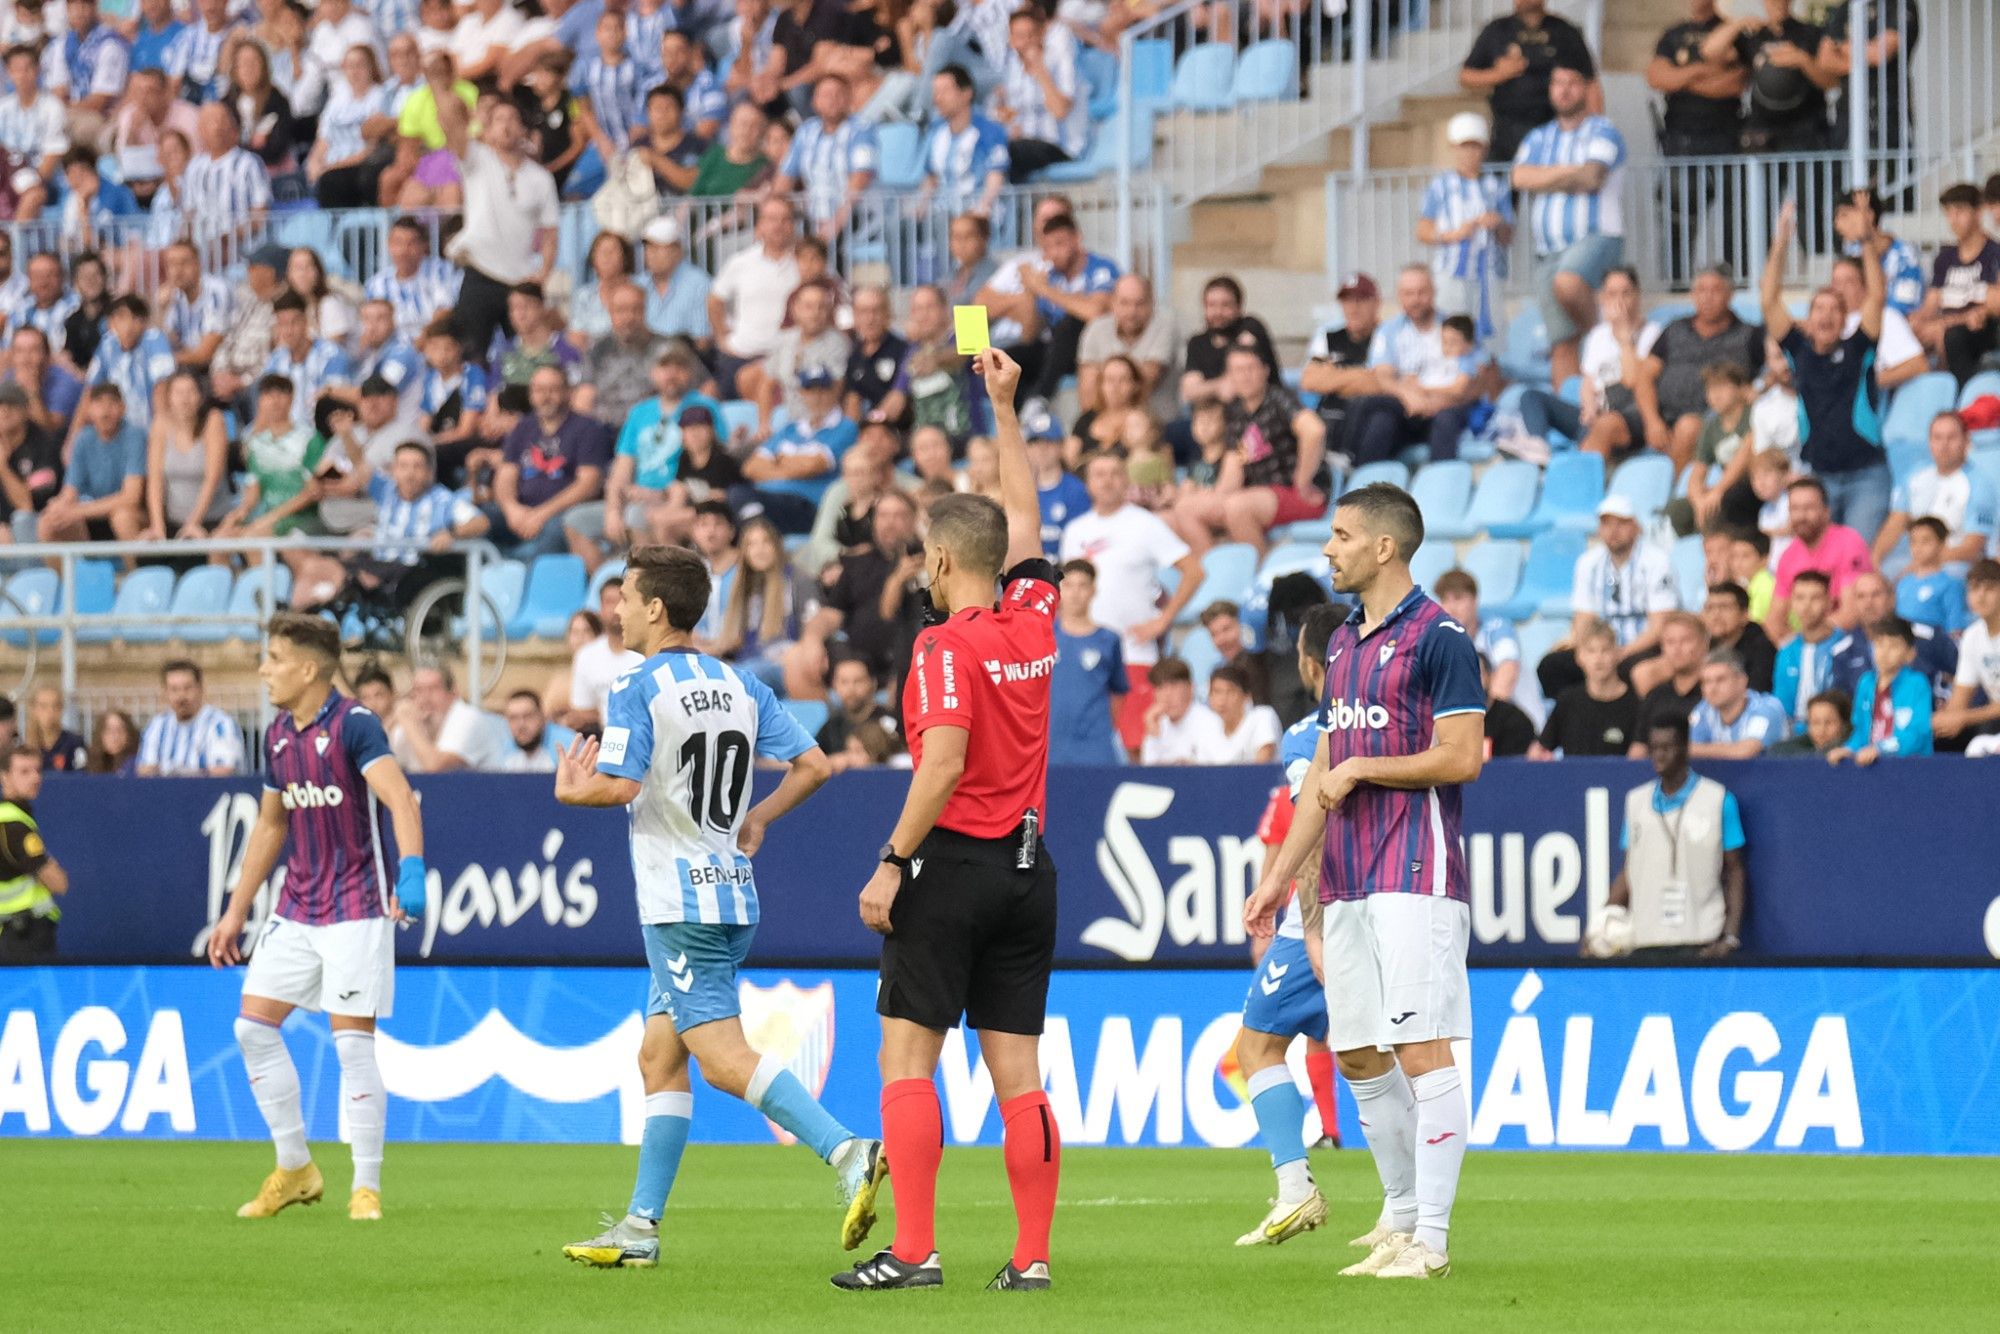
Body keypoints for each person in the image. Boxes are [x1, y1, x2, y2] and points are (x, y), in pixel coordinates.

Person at [552, 546, 883, 1270]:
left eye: (625, 596)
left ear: (655, 610)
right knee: (658, 1056)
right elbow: (816, 765)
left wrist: (573, 789)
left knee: (723, 1058)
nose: (615, 608)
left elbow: (617, 786)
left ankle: (848, 1150)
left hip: (678, 900)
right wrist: (757, 817)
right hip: (731, 890)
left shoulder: (634, 683)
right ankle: (641, 1227)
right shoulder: (737, 681)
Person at [833, 347, 1059, 1294]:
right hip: (1029, 873)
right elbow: (1030, 525)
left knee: (906, 1054)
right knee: (1020, 1075)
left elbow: (942, 766)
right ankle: (1032, 1259)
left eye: (925, 555)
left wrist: (891, 860)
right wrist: (1005, 409)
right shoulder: (1036, 620)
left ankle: (917, 1251)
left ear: (939, 561)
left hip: (953, 868)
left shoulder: (941, 645)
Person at [1245, 482, 1484, 1282]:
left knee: (1420, 1046)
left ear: (1385, 546)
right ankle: (1403, 1218)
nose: (1329, 548)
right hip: (1344, 878)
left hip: (1415, 871)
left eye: (1342, 535)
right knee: (1355, 1054)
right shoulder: (1344, 643)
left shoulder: (1440, 638)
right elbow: (1322, 766)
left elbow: (1462, 757)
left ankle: (1435, 1240)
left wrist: (1364, 767)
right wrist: (1279, 877)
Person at [205, 614, 427, 1223]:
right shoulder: (279, 733)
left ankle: (367, 1186)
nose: (263, 669)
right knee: (252, 1029)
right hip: (298, 906)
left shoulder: (356, 725)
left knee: (352, 1045)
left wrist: (412, 871)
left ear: (307, 669)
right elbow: (272, 824)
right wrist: (235, 911)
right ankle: (296, 1168)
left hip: (356, 907)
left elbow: (400, 798)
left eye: (273, 658)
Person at [1231, 601, 1348, 1247]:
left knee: (1257, 1046)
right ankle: (1407, 1214)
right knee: (1373, 1058)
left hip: (1331, 910)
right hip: (1397, 900)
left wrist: (1310, 924)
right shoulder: (1396, 724)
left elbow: (1318, 825)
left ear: (1309, 662)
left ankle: (1296, 1188)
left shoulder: (1309, 734)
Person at [1761, 202, 1894, 544]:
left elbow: (1876, 297)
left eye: (1834, 309)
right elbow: (1769, 300)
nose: (1826, 315)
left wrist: (1865, 241)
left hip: (1866, 476)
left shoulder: (1859, 347)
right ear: (1809, 316)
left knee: (1854, 560)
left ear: (1843, 316)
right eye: (1818, 308)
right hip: (1819, 477)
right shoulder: (1798, 350)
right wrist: (1780, 245)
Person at [1059, 449, 1204, 758]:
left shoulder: (1144, 524)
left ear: (1125, 480)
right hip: (1085, 654)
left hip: (1134, 652)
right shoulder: (1074, 531)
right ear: (1088, 483)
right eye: (1099, 474)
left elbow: (1193, 571)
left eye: (1114, 473)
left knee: (1136, 744)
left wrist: (1163, 621)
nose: (1107, 481)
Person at [1510, 60, 1628, 389]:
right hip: (1547, 250)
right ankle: (1569, 415)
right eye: (1557, 82)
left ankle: (1605, 337)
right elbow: (1519, 177)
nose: (1564, 89)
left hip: (1597, 236)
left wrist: (1544, 177)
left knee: (1568, 283)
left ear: (1588, 89)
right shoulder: (1538, 136)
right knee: (1561, 343)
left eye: (1572, 82)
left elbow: (1592, 177)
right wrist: (1567, 173)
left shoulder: (1604, 130)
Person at [1591, 716, 1745, 960]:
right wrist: (1599, 926)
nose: (1658, 755)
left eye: (1666, 748)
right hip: (1646, 939)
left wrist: (1730, 936)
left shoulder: (1718, 799)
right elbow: (1629, 870)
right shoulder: (1636, 801)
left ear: (1685, 747)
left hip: (1702, 939)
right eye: (1653, 748)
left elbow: (1735, 870)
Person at [440, 91, 559, 361]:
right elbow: (452, 126)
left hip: (519, 280)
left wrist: (544, 272)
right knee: (471, 353)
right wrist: (438, 85)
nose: (505, 125)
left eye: (512, 119)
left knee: (525, 352)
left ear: (523, 129)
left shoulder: (540, 178)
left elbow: (551, 232)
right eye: (498, 119)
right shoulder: (477, 158)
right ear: (488, 129)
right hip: (480, 272)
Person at [1507, 265, 1661, 464]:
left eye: (1626, 293)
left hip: (1623, 418)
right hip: (1593, 415)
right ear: (1603, 298)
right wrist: (1588, 407)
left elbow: (1633, 381)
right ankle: (1538, 450)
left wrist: (1625, 339)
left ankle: (1576, 468)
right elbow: (1588, 380)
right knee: (1531, 397)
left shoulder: (1654, 333)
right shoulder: (1598, 335)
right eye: (1612, 294)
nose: (1619, 301)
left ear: (1637, 296)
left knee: (1602, 426)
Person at [1538, 495, 1679, 700]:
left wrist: (1623, 651)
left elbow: (1659, 625)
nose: (1613, 531)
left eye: (1620, 524)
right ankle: (1572, 721)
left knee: (1631, 671)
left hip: (1642, 646)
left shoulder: (1657, 562)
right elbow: (1584, 616)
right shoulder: (1588, 562)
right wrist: (1584, 649)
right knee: (1552, 666)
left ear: (1635, 526)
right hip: (1602, 646)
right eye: (1606, 524)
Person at [1650, 1, 1749, 285]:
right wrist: (1701, 72)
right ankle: (1677, 280)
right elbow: (1657, 77)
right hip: (1682, 139)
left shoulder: (1731, 32)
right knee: (1679, 214)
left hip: (1727, 137)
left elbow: (1735, 83)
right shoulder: (1673, 34)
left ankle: (1738, 278)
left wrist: (1682, 76)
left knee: (1736, 213)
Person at [484, 366, 610, 558]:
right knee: (479, 517)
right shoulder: (523, 427)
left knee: (552, 533)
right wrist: (512, 509)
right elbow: (505, 475)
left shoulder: (588, 429)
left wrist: (541, 514)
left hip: (561, 513)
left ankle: (512, 570)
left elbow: (588, 485)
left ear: (568, 393)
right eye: (539, 390)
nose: (545, 397)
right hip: (521, 511)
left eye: (553, 389)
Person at [1459, 0, 1598, 165]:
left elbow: (1590, 84)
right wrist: (1498, 74)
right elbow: (1466, 76)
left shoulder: (1565, 32)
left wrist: (1595, 132)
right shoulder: (1497, 30)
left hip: (1556, 127)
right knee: (1503, 184)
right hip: (1507, 130)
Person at [1418, 112, 1513, 339]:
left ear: (1484, 149)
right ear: (1454, 148)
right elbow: (1423, 230)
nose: (1469, 152)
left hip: (1488, 272)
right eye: (1464, 146)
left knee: (1491, 336)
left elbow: (1508, 235)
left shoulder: (1496, 186)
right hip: (1452, 272)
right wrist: (1454, 235)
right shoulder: (1440, 186)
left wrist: (1497, 223)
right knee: (1451, 330)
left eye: (1475, 146)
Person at [1875, 411, 1996, 571]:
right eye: (1937, 438)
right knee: (1879, 576)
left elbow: (1972, 548)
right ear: (1929, 442)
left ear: (1966, 441)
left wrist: (1922, 565)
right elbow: (1895, 523)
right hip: (1915, 557)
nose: (1944, 445)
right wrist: (1874, 559)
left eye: (1951, 437)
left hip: (1956, 562)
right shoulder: (1915, 476)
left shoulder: (1979, 484)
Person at [1766, 476, 1875, 641]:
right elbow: (1774, 619)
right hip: (1806, 642)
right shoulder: (1788, 556)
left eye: (1808, 508)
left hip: (1851, 641)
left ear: (1826, 511)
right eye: (1794, 509)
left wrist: (1808, 640)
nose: (1801, 516)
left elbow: (1851, 613)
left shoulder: (1848, 542)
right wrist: (1795, 648)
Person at [1913, 182, 2000, 386]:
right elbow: (1930, 304)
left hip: (1980, 330)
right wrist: (1916, 323)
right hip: (1948, 326)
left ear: (1978, 213)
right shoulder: (1944, 258)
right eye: (1948, 213)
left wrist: (1946, 324)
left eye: (1959, 211)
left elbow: (1992, 306)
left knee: (1953, 337)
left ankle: (1963, 399)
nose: (1953, 220)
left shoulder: (1994, 253)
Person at [36, 384, 146, 544]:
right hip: (92, 516)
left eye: (112, 403)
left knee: (122, 517)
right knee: (49, 521)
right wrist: (60, 506)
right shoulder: (83, 438)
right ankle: (63, 570)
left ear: (123, 408)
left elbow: (131, 497)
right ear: (89, 410)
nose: (105, 411)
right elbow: (70, 492)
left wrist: (79, 511)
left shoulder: (134, 436)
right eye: (99, 403)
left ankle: (134, 570)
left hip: (133, 514)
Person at [1048, 558, 1125, 766]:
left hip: (1095, 747)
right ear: (1059, 589)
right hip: (1050, 745)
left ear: (1093, 590)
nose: (1075, 593)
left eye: (1082, 585)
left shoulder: (1109, 639)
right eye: (1068, 585)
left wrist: (1101, 727)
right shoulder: (1042, 636)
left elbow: (1118, 693)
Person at [1829, 615, 1933, 763]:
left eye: (1894, 646)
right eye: (1879, 644)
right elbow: (1860, 731)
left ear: (1910, 654)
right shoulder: (1865, 683)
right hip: (1873, 767)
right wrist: (1849, 749)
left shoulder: (1917, 683)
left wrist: (1880, 748)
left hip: (1911, 766)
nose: (1885, 652)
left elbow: (1917, 734)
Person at [1531, 617, 1638, 758]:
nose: (1598, 659)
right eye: (1591, 651)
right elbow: (1541, 749)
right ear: (1579, 657)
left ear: (1617, 654)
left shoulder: (1636, 704)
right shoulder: (1568, 702)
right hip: (1573, 779)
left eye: (1605, 650)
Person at [1077, 275, 1175, 420]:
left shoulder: (1165, 327)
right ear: (1112, 303)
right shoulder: (1096, 329)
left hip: (1156, 424)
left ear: (1152, 303)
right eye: (1124, 303)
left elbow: (1144, 384)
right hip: (1104, 425)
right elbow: (1088, 391)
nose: (1132, 312)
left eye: (1140, 303)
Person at [0, 745, 66, 960]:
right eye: (24, 772)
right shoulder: (15, 826)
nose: (35, 778)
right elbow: (59, 884)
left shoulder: (8, 818)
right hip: (25, 936)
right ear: (4, 777)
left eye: (37, 770)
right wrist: (52, 867)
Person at [136, 659, 246, 776]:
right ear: (165, 693)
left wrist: (169, 771)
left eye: (187, 688)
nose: (181, 696)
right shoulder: (157, 725)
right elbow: (144, 770)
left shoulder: (221, 724)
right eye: (174, 689)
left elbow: (223, 771)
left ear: (200, 689)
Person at [1936, 560, 2000, 754]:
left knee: (1979, 746)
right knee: (1938, 740)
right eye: (1974, 589)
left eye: (1989, 589)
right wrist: (1939, 721)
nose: (1980, 596)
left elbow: (1963, 715)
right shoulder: (1972, 636)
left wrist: (1964, 718)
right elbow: (1959, 700)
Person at [391, 664, 504, 772]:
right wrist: (392, 721)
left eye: (433, 689)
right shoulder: (412, 722)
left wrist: (409, 723)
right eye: (418, 690)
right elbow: (382, 764)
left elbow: (435, 767)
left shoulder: (467, 717)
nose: (425, 698)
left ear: (453, 693)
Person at [568, 581, 645, 732]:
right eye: (609, 602)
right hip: (605, 739)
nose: (616, 609)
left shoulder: (647, 651)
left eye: (622, 601)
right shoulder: (586, 655)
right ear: (600, 609)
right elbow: (581, 708)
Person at [1433, 569, 1520, 704]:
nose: (1451, 608)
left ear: (1475, 599)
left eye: (1458, 598)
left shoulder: (1498, 628)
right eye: (1445, 600)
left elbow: (1508, 673)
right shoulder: (1440, 638)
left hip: (1516, 718)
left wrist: (1483, 719)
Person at [1687, 647, 1790, 758]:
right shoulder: (1703, 710)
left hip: (1773, 773)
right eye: (1706, 682)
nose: (1712, 689)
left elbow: (1746, 751)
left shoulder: (1766, 708)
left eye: (1720, 680)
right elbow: (1690, 750)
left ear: (1742, 681)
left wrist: (1697, 749)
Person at [1772, 570, 1839, 732]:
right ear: (1791, 602)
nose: (1806, 606)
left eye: (1815, 598)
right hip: (1792, 734)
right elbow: (1781, 706)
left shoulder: (1845, 647)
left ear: (1829, 602)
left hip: (1833, 733)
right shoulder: (1785, 652)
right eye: (1800, 598)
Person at [816, 656, 902, 767]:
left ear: (873, 683)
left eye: (858, 681)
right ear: (834, 685)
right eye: (844, 682)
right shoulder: (832, 725)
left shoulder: (889, 720)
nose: (851, 688)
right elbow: (813, 760)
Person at [1137, 657, 1226, 764]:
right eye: (1161, 687)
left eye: (1174, 686)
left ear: (1191, 688)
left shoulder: (1210, 722)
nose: (1167, 695)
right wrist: (1154, 735)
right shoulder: (1158, 722)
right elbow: (1148, 771)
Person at [1896, 518, 1969, 633]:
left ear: (1942, 543)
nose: (1918, 547)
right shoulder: (1904, 582)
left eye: (1925, 541)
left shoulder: (1951, 584)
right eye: (1913, 541)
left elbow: (1955, 628)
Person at [1208, 665, 1281, 764]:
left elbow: (1264, 762)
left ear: (1247, 696)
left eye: (1230, 692)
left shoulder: (1263, 716)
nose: (1222, 700)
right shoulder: (1207, 726)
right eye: (1217, 692)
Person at [496, 690, 573, 773]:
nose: (521, 725)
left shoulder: (569, 744)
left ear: (543, 717)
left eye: (528, 716)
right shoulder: (504, 746)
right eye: (513, 718)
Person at [1772, 688, 1854, 758]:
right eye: (1816, 723)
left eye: (1829, 722)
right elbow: (1776, 749)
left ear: (1844, 724)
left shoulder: (1852, 747)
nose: (1822, 729)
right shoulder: (1804, 744)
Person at [24, 685, 85, 772]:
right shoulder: (23, 747)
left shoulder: (75, 743)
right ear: (33, 709)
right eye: (43, 706)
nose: (50, 712)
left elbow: (82, 777)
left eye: (56, 707)